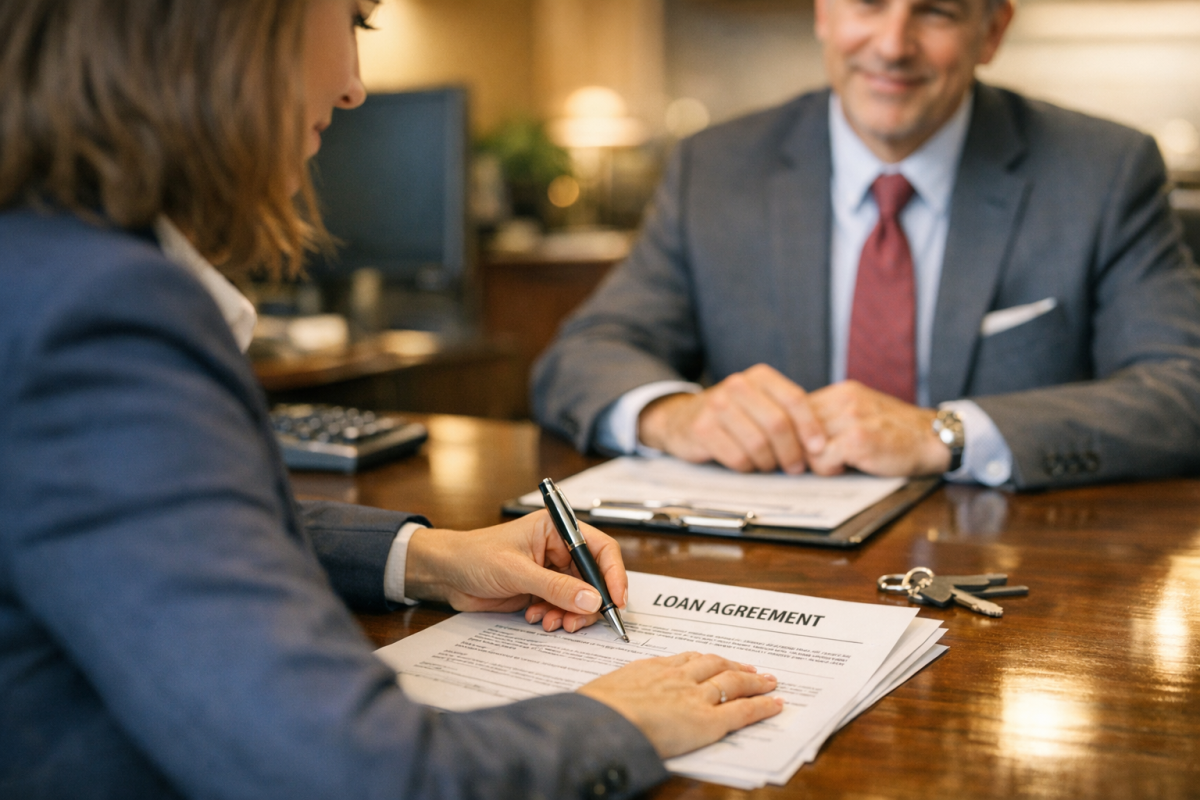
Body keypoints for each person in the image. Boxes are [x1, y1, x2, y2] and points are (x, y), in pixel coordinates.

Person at [0, 2, 783, 798]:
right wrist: (618, 723)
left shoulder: (45, 264)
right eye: (354, 20)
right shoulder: (95, 317)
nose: (354, 89)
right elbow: (348, 772)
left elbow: (168, 535)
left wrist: (431, 558)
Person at [532, 0, 1200, 491]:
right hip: (772, 578)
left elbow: (1182, 390)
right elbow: (584, 354)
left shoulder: (1103, 172)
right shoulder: (716, 168)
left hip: (1013, 580)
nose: (892, 44)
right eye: (869, 4)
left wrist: (944, 433)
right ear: (823, 12)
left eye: (934, 12)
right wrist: (671, 415)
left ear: (992, 31)